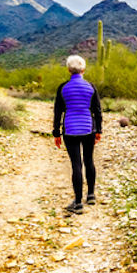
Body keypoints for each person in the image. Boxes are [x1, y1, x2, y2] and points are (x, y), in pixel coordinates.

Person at [52, 55, 102, 214]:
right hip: (88, 128)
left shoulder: (63, 88)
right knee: (89, 160)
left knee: (76, 164)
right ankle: (91, 195)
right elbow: (97, 111)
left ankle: (78, 203)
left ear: (69, 70)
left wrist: (56, 133)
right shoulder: (90, 87)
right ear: (83, 69)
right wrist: (99, 130)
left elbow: (58, 111)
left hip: (70, 129)